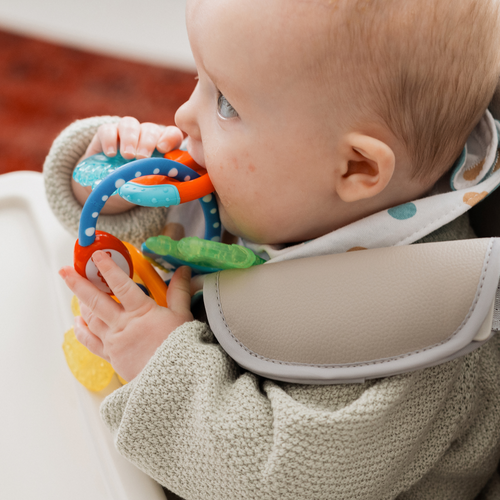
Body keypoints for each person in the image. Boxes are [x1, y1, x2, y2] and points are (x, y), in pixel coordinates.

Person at [45, 0, 500, 498]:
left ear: (356, 169)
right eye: (199, 78)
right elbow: (174, 223)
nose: (182, 114)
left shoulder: (423, 331)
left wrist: (161, 365)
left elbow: (273, 479)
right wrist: (105, 188)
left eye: (226, 103)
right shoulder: (291, 186)